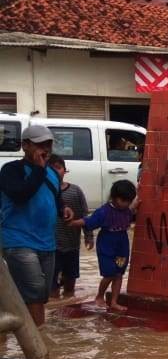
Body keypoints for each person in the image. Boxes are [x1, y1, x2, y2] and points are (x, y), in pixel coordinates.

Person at [0, 124, 73, 327]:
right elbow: (21, 195)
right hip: (18, 241)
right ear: (25, 145)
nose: (45, 149)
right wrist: (39, 170)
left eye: (48, 144)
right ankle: (39, 344)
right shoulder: (10, 170)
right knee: (34, 292)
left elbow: (55, 197)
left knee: (41, 294)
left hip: (46, 242)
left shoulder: (50, 173)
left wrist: (63, 209)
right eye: (40, 144)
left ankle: (14, 326)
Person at [75, 179, 137, 313]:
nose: (126, 204)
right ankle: (99, 295)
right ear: (114, 198)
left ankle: (114, 301)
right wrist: (73, 223)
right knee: (109, 274)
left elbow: (133, 211)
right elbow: (88, 221)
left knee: (119, 273)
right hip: (106, 246)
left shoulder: (127, 210)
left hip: (122, 246)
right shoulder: (103, 212)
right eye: (123, 200)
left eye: (129, 201)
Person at [49, 155, 91, 298]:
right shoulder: (45, 193)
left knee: (70, 285)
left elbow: (85, 215)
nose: (55, 172)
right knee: (52, 287)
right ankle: (53, 311)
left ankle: (67, 309)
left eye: (58, 168)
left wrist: (89, 236)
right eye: (51, 169)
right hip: (51, 247)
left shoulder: (75, 191)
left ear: (65, 171)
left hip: (72, 246)